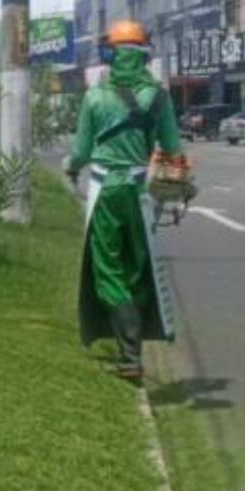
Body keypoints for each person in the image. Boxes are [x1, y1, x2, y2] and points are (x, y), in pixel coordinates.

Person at [66, 20, 182, 381]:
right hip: (141, 193)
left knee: (109, 268)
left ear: (110, 55)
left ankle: (129, 355)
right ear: (144, 55)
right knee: (138, 267)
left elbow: (82, 151)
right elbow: (174, 151)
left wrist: (70, 169)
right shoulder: (159, 97)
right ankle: (133, 349)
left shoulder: (95, 96)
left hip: (105, 192)